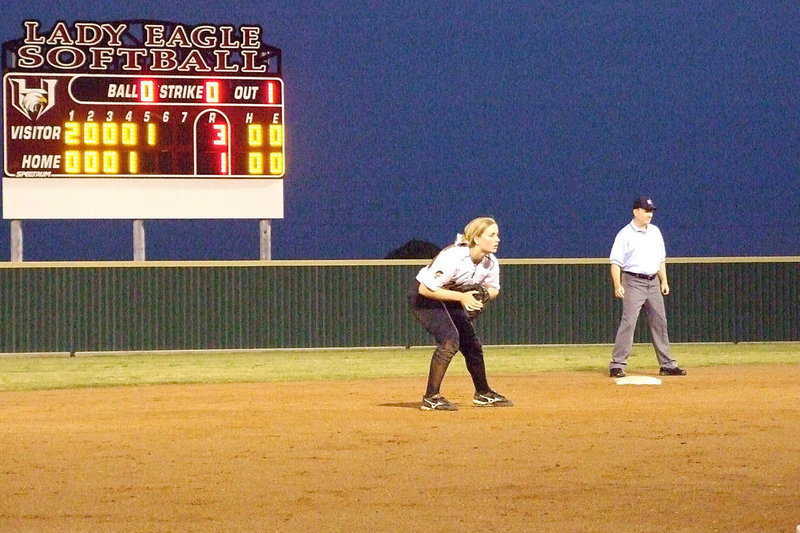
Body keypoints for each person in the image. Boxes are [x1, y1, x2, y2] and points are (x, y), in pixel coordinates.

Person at [408, 216, 513, 411]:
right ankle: (431, 397)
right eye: (491, 235)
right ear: (476, 238)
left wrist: (482, 296)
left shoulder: (490, 262)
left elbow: (494, 289)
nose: (497, 239)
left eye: (497, 234)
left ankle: (483, 393)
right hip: (424, 297)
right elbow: (424, 289)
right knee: (450, 339)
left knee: (471, 344)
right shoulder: (454, 256)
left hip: (451, 297)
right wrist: (463, 298)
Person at [608, 196, 687, 378]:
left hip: (653, 282)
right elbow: (615, 263)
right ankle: (617, 364)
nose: (649, 214)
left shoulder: (655, 232)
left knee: (660, 323)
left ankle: (667, 364)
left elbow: (660, 259)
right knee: (628, 323)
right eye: (646, 210)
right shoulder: (624, 234)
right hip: (633, 282)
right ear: (636, 212)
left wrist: (664, 281)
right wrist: (618, 284)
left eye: (651, 210)